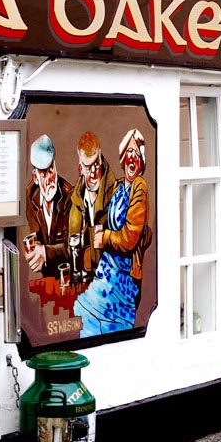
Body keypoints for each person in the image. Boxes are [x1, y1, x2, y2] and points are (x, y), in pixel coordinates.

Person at [75, 128, 151, 336]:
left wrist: (105, 237)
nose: (132, 158)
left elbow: (129, 238)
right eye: (129, 153)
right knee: (86, 319)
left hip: (123, 277)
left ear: (142, 160)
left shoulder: (139, 187)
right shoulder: (118, 187)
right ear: (123, 158)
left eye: (136, 154)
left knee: (108, 326)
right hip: (106, 268)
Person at [67, 131, 117, 281]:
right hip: (85, 282)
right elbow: (70, 246)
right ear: (80, 168)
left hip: (110, 281)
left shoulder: (116, 193)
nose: (94, 172)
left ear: (101, 158)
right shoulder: (77, 200)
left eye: (96, 163)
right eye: (88, 167)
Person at [24, 134, 72, 278]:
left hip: (68, 276)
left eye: (51, 169)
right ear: (35, 177)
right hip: (47, 277)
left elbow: (70, 247)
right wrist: (33, 252)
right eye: (44, 174)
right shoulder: (30, 194)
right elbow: (35, 233)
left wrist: (44, 252)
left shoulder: (70, 196)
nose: (50, 178)